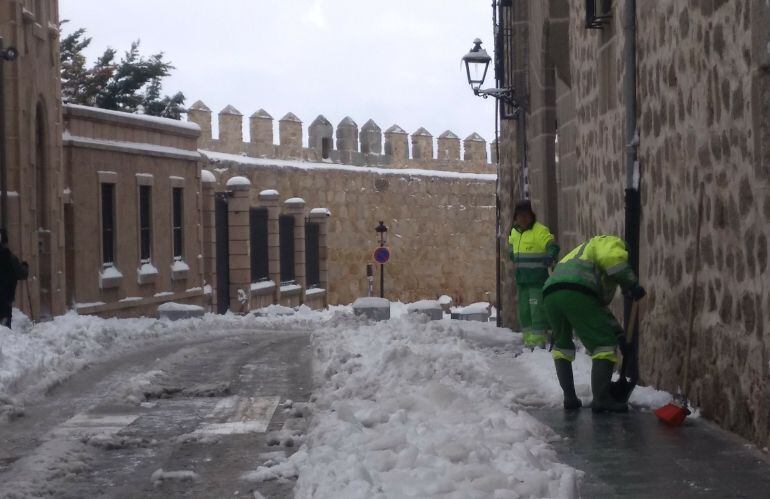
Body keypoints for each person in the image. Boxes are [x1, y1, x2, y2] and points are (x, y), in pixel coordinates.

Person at [542, 235, 645, 412]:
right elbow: (614, 261)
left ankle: (570, 398)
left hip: (551, 293)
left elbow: (596, 310)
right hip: (577, 292)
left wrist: (619, 333)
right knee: (604, 346)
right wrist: (631, 283)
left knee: (562, 347)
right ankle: (602, 399)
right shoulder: (611, 242)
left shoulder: (580, 256)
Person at [507, 200, 559, 349]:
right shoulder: (515, 232)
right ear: (515, 218)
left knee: (537, 312)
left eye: (526, 215)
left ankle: (538, 343)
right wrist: (511, 253)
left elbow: (551, 245)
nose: (523, 219)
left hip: (537, 280)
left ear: (532, 216)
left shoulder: (539, 230)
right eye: (520, 216)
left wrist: (551, 255)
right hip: (522, 280)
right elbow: (511, 244)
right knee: (524, 312)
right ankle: (529, 342)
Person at [0, 229, 29, 329]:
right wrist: (25, 266)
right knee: (4, 330)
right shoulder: (9, 257)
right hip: (5, 301)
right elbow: (22, 274)